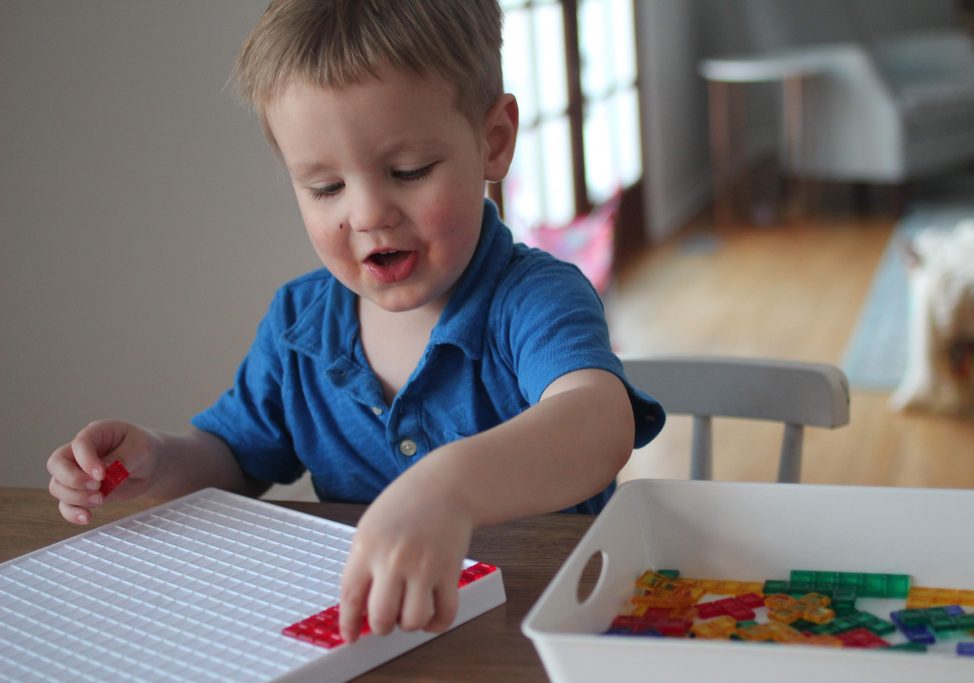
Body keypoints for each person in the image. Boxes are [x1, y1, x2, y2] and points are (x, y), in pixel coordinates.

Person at [46, 0, 665, 644]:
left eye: (408, 171)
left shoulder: (533, 298)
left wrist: (447, 489)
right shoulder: (298, 325)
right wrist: (159, 460)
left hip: (538, 634)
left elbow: (597, 423)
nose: (368, 213)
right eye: (324, 188)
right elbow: (234, 456)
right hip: (375, 640)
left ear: (494, 141)